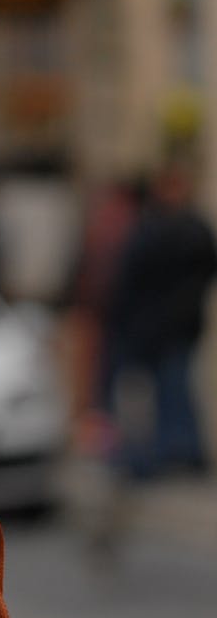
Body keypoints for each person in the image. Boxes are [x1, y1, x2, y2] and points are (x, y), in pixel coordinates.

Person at [107, 162, 217, 477]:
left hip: (170, 327)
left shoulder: (178, 229)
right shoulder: (161, 227)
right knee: (163, 391)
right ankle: (163, 454)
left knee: (173, 389)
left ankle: (178, 453)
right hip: (155, 328)